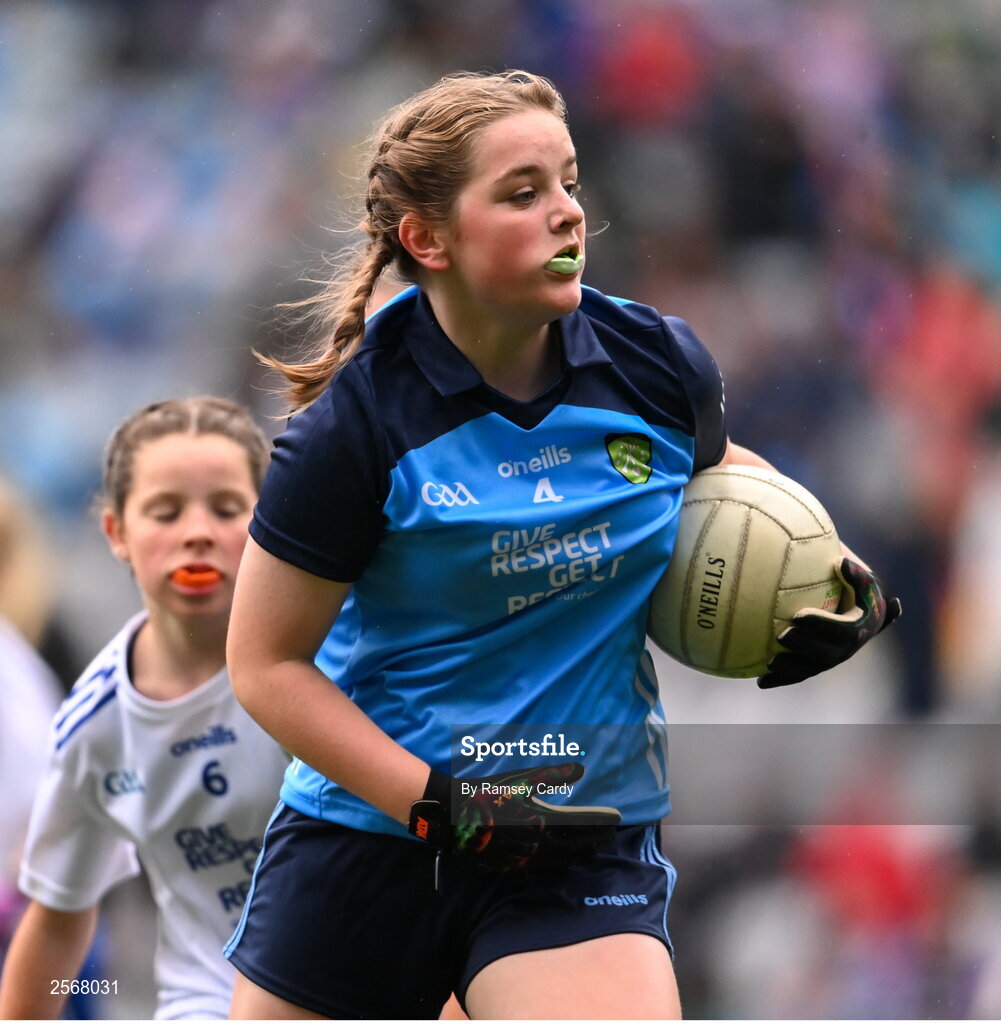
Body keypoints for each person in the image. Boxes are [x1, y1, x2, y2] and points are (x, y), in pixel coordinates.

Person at [223, 70, 901, 1020]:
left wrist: (835, 578)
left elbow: (723, 484)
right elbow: (264, 664)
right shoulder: (354, 430)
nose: (567, 214)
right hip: (373, 837)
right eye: (521, 193)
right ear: (427, 239)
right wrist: (443, 807)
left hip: (574, 838)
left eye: (568, 182)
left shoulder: (655, 365)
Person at [0, 397, 290, 1021]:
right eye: (165, 511)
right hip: (210, 1003)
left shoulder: (336, 655)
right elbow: (56, 917)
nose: (196, 532)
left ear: (268, 519)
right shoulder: (96, 725)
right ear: (117, 533)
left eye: (226, 508)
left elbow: (436, 814)